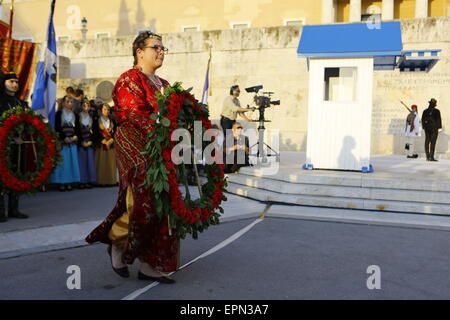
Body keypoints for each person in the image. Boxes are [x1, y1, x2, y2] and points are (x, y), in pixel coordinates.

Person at [86, 31, 178, 283]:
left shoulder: (166, 84)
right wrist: (163, 130)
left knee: (161, 208)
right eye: (155, 47)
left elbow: (175, 115)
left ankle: (149, 265)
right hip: (137, 151)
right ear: (140, 51)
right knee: (140, 205)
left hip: (162, 154)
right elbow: (135, 115)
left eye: (163, 48)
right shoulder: (129, 80)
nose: (160, 52)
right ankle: (117, 244)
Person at [0, 72, 29, 222]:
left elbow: (25, 122)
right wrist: (11, 137)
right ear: (4, 83)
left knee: (16, 176)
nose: (15, 84)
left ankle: (14, 209)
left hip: (18, 146)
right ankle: (1, 211)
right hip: (3, 145)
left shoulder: (20, 103)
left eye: (17, 82)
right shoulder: (1, 102)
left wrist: (23, 135)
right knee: (1, 177)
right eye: (11, 81)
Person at [51, 95, 81, 191]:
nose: (70, 103)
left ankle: (70, 182)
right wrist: (64, 138)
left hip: (72, 142)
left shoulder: (75, 115)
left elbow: (78, 129)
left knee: (71, 163)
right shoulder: (58, 114)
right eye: (67, 101)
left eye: (71, 102)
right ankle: (61, 183)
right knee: (62, 163)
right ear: (63, 103)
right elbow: (57, 128)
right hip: (63, 143)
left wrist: (75, 137)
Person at [93, 103, 117, 186]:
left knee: (110, 164)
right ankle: (101, 181)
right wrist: (103, 141)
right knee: (102, 164)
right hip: (101, 144)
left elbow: (115, 132)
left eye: (108, 109)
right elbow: (95, 132)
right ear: (101, 111)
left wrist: (111, 140)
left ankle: (111, 181)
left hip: (110, 144)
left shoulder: (112, 120)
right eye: (105, 109)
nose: (107, 111)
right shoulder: (97, 120)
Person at [76, 99, 97, 189]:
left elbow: (95, 131)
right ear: (81, 106)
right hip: (82, 143)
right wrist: (82, 142)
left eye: (88, 105)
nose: (86, 107)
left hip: (90, 142)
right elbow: (77, 130)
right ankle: (82, 181)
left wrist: (91, 141)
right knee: (82, 163)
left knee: (90, 162)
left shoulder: (92, 117)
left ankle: (89, 181)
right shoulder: (78, 117)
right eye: (84, 105)